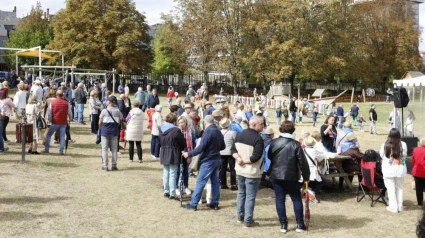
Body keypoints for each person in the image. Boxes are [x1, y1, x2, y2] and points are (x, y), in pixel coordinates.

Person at [268, 121, 310, 233]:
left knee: (280, 199)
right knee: (296, 199)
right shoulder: (295, 144)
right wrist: (306, 176)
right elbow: (303, 163)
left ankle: (283, 225)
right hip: (291, 176)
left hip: (276, 175)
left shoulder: (274, 142)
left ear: (281, 129)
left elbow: (269, 156)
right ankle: (299, 224)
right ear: (293, 130)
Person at [182, 115, 225, 211]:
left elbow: (201, 148)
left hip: (208, 160)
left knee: (200, 182)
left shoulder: (208, 132)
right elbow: (223, 146)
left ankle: (193, 204)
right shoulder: (218, 131)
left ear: (205, 123)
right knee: (215, 182)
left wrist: (188, 154)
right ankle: (215, 203)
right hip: (217, 159)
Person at [230, 115, 265, 228]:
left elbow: (233, 150)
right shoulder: (258, 138)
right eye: (261, 124)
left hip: (240, 170)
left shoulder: (240, 134)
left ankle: (240, 217)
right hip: (252, 172)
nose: (263, 126)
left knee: (241, 194)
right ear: (255, 125)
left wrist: (239, 159)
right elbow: (256, 156)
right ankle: (248, 220)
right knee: (250, 196)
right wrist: (243, 161)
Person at [380, 128, 407, 213]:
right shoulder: (403, 144)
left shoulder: (385, 144)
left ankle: (393, 207)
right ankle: (399, 206)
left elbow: (382, 155)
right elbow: (404, 155)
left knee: (390, 188)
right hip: (400, 169)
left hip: (388, 169)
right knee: (399, 188)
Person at [160, 113, 187, 199]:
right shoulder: (176, 130)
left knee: (166, 172)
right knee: (172, 173)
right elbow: (182, 142)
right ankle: (172, 192)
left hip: (164, 151)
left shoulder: (161, 129)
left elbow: (159, 141)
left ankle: (166, 190)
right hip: (174, 152)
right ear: (174, 121)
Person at [43, 90, 72, 155]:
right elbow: (70, 112)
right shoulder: (66, 103)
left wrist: (50, 120)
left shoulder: (52, 103)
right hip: (63, 122)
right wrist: (70, 118)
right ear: (63, 95)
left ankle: (46, 149)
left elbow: (49, 113)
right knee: (62, 136)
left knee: (48, 135)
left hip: (54, 121)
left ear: (56, 95)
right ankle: (61, 151)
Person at [99, 96, 123, 171]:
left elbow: (100, 122)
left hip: (105, 131)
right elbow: (120, 121)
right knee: (114, 149)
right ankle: (114, 165)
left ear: (109, 102)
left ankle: (105, 166)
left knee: (104, 149)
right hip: (114, 131)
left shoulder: (104, 111)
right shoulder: (118, 111)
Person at [175, 116, 195, 196]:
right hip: (178, 153)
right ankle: (176, 187)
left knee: (186, 171)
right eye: (179, 123)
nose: (181, 124)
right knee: (178, 171)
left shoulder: (189, 131)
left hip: (187, 153)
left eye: (182, 122)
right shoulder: (176, 131)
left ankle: (186, 186)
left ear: (186, 123)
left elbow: (194, 140)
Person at [303, 136, 325, 203]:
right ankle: (312, 192)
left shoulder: (302, 150)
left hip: (303, 171)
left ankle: (309, 190)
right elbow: (321, 158)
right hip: (312, 171)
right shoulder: (315, 151)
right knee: (323, 181)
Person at [219, 118, 237, 190]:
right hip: (230, 152)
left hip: (221, 152)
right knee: (232, 168)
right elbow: (235, 142)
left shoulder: (219, 132)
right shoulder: (233, 132)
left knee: (222, 168)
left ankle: (223, 183)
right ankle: (233, 184)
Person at [412, 137, 425, 206]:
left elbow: (413, 160)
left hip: (417, 171)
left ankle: (420, 203)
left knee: (418, 188)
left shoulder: (415, 149)